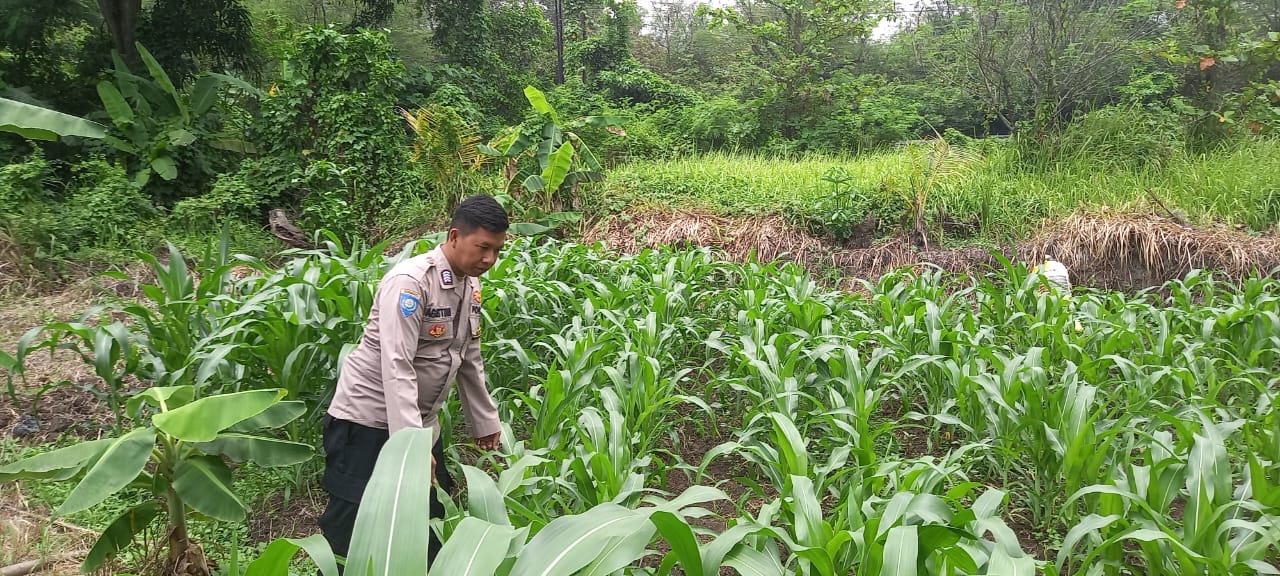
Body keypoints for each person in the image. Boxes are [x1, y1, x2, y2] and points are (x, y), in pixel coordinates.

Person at [318, 195, 508, 566]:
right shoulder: (410, 283)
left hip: (420, 423)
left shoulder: (469, 286)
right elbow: (397, 365)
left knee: (430, 516)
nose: (490, 259)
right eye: (483, 247)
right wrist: (411, 450)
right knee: (351, 521)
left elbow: (469, 358)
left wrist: (484, 421)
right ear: (455, 237)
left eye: (497, 250)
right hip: (366, 420)